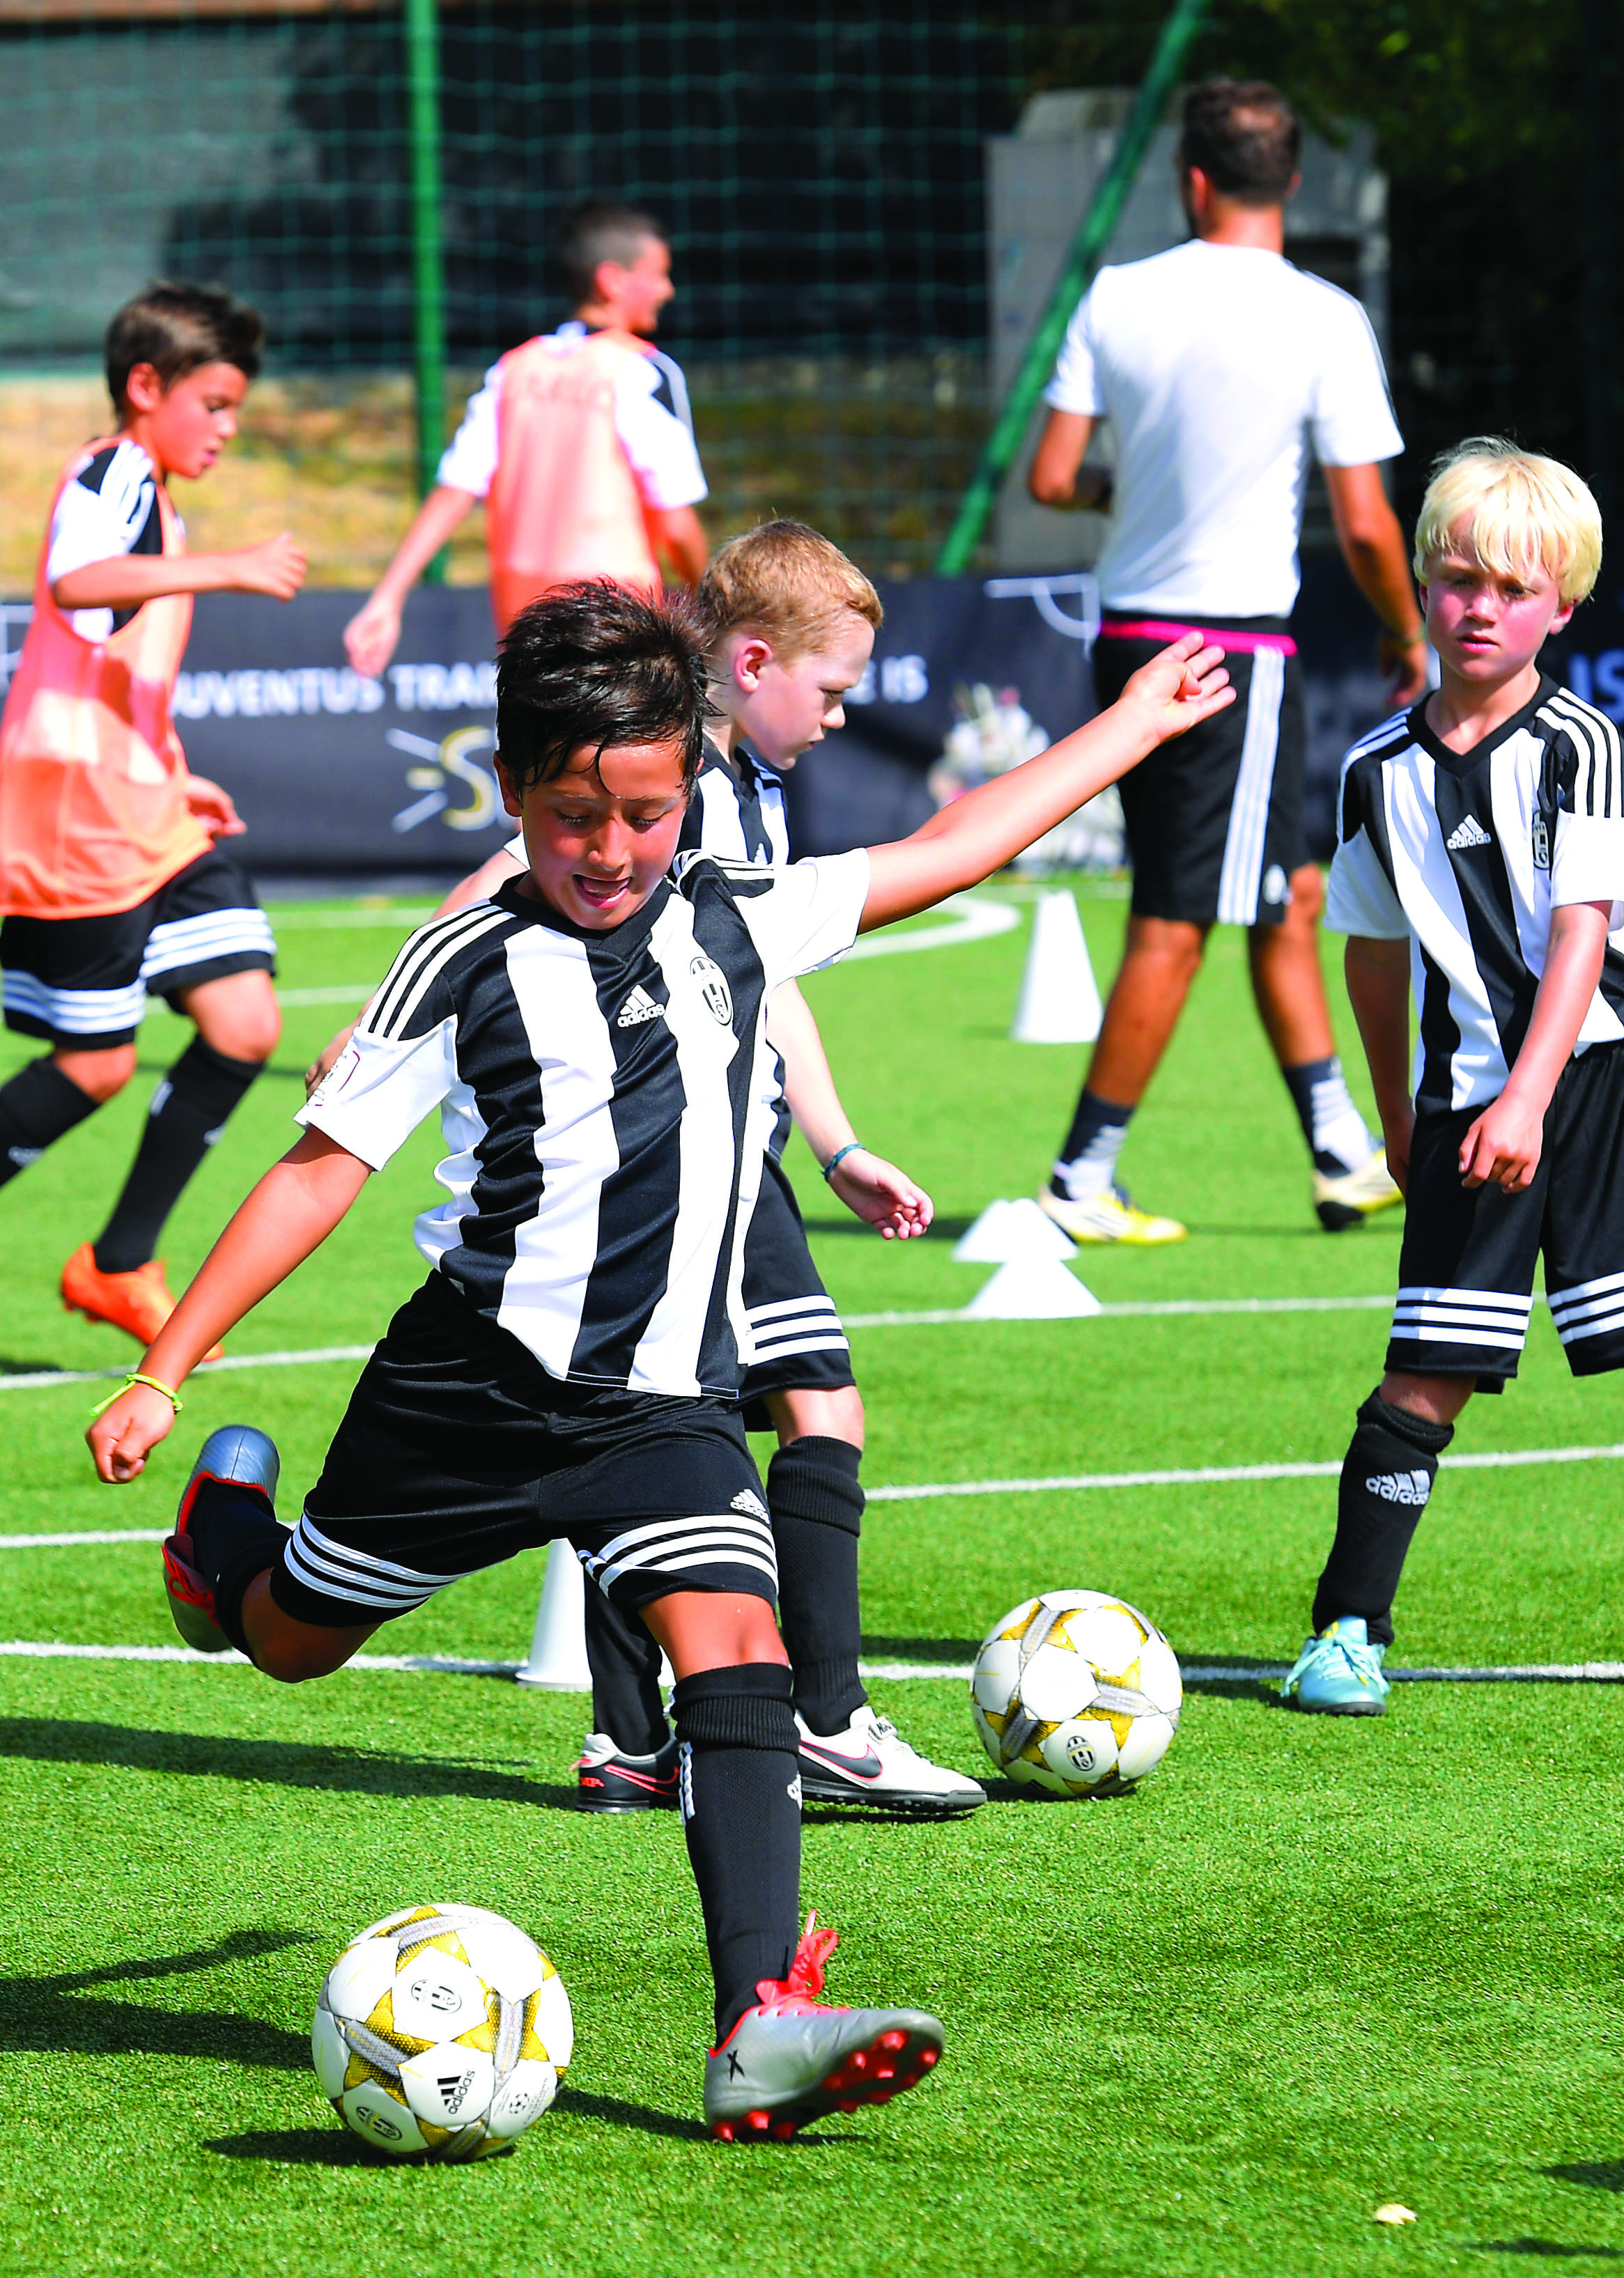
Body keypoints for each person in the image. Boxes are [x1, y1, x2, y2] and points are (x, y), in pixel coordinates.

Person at [85, 582, 1231, 2136]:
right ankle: (223, 1549)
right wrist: (169, 1367)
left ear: (687, 785)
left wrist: (1127, 728)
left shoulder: (741, 913)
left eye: (641, 811)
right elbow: (314, 1170)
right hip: (469, 1396)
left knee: (736, 1652)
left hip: (664, 1413)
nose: (609, 850)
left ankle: (758, 2023)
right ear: (511, 794)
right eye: (571, 817)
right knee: (284, 1641)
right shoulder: (461, 963)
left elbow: (949, 849)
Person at [359, 522, 986, 1818]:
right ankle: (826, 1716)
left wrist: (841, 1142)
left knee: (638, 1427)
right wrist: (385, 1026)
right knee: (810, 1405)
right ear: (752, 664)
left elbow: (756, 981)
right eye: (829, 690)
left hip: (731, 1152)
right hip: (682, 1167)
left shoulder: (732, 788)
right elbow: (504, 876)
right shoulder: (673, 774)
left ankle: (633, 1740)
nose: (837, 717)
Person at [1275, 439, 1624, 1715]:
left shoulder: (1582, 745)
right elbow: (1365, 949)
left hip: (1611, 1074)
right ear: (1421, 581)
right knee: (1432, 1369)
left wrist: (1530, 1097)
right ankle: (1347, 1632)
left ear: (1561, 609)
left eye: (1514, 590)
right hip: (1468, 1091)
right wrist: (1400, 1110)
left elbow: (1582, 932)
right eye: (1459, 578)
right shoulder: (1373, 772)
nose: (1480, 607)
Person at [0, 282, 307, 1385]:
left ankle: (117, 1259)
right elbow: (75, 584)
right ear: (147, 389)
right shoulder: (110, 473)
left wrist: (181, 775)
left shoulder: (158, 494)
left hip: (148, 806)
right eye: (215, 403)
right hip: (75, 819)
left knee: (244, 1026)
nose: (228, 428)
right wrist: (230, 566)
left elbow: (119, 665)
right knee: (94, 1065)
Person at [1025, 77, 1428, 1248]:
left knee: (1287, 896)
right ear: (1290, 183)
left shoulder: (1117, 295)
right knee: (1177, 920)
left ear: (1190, 181)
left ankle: (1344, 1155)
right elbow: (1363, 523)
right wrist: (1408, 637)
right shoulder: (1323, 317)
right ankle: (1080, 1177)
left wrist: (1130, 489)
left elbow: (1052, 479)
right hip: (1231, 653)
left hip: (1132, 640)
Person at [344, 199, 709, 671]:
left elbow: (455, 489)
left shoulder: (514, 370)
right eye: (658, 274)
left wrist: (388, 598)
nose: (667, 289)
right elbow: (677, 524)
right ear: (612, 280)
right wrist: (705, 600)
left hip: (525, 626)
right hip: (620, 625)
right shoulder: (643, 372)